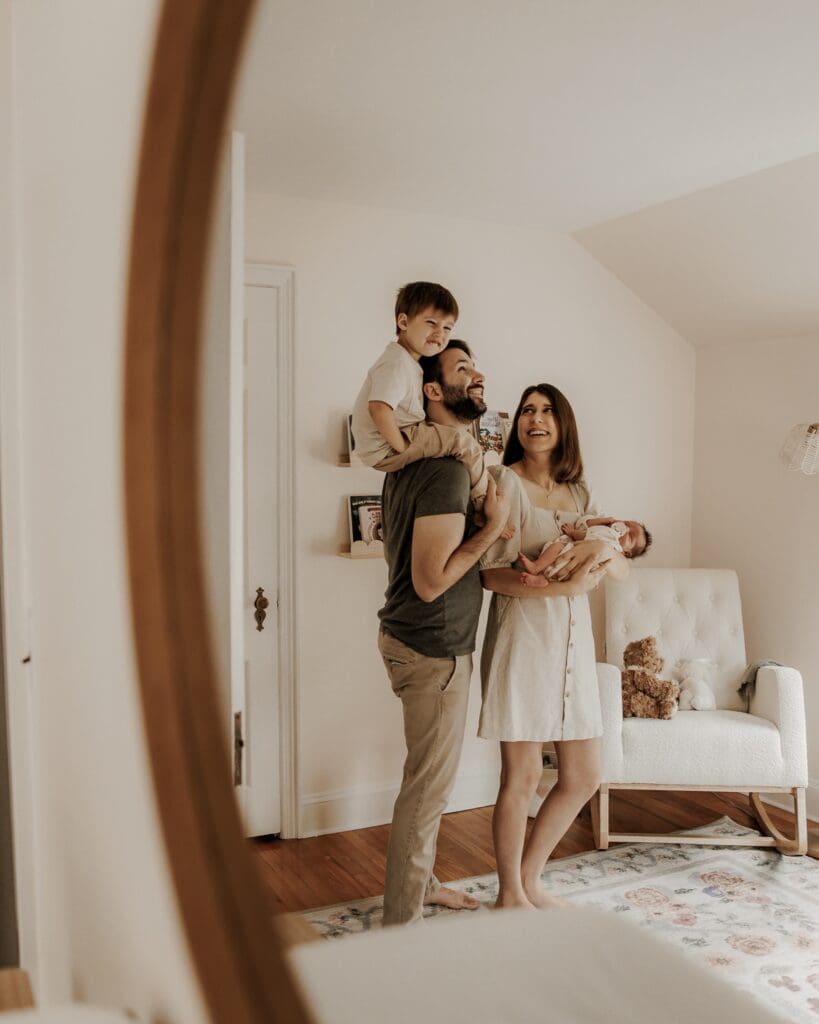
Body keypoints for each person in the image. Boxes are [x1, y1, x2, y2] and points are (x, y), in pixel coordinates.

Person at [478, 384, 629, 910]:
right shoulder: (503, 482)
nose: (535, 419)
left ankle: (530, 879)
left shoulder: (580, 492)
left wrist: (603, 550)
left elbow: (622, 558)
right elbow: (490, 575)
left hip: (572, 644)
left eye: (546, 411)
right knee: (519, 776)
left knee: (584, 774)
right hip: (523, 636)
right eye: (527, 411)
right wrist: (564, 584)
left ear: (563, 424)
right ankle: (509, 894)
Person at [377, 339, 512, 926]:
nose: (477, 374)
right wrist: (494, 531)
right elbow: (431, 582)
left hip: (413, 642)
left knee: (424, 780)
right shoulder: (443, 472)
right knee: (427, 792)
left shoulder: (416, 462)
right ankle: (401, 926)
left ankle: (423, 884)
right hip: (432, 651)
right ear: (432, 390)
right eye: (462, 368)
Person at [351, 281, 489, 506]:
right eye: (431, 323)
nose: (439, 333)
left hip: (394, 441)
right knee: (464, 443)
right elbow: (379, 407)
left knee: (455, 441)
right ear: (403, 322)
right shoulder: (396, 363)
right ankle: (484, 504)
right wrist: (401, 445)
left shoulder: (409, 363)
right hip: (386, 447)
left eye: (447, 328)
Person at [519, 514, 651, 586]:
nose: (626, 530)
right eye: (626, 524)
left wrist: (572, 532)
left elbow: (586, 535)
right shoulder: (606, 530)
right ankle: (541, 578)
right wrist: (604, 521)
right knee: (557, 557)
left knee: (557, 548)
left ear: (626, 552)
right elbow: (586, 527)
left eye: (630, 536)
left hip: (577, 561)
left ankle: (536, 568)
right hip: (575, 562)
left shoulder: (613, 544)